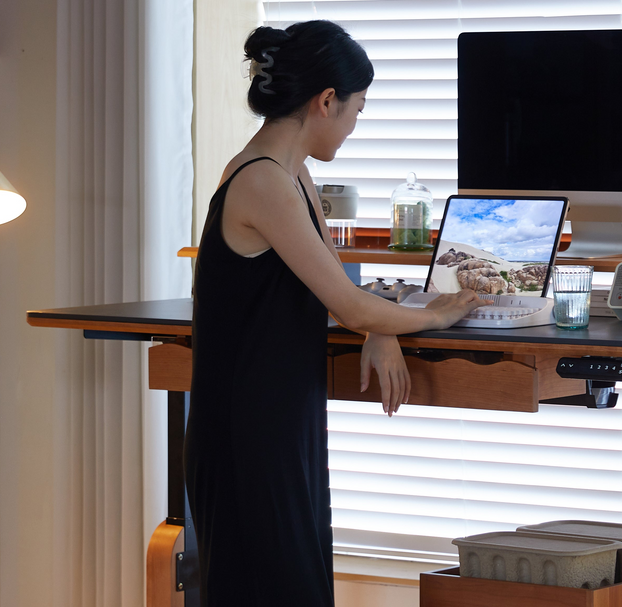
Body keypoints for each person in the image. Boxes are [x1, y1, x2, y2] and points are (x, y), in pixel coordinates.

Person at [183, 20, 487, 607]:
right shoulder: (261, 182)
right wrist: (438, 316)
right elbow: (346, 304)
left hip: (281, 418)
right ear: (327, 102)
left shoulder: (294, 174)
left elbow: (336, 280)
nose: (352, 127)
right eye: (356, 111)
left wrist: (380, 324)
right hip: (246, 428)